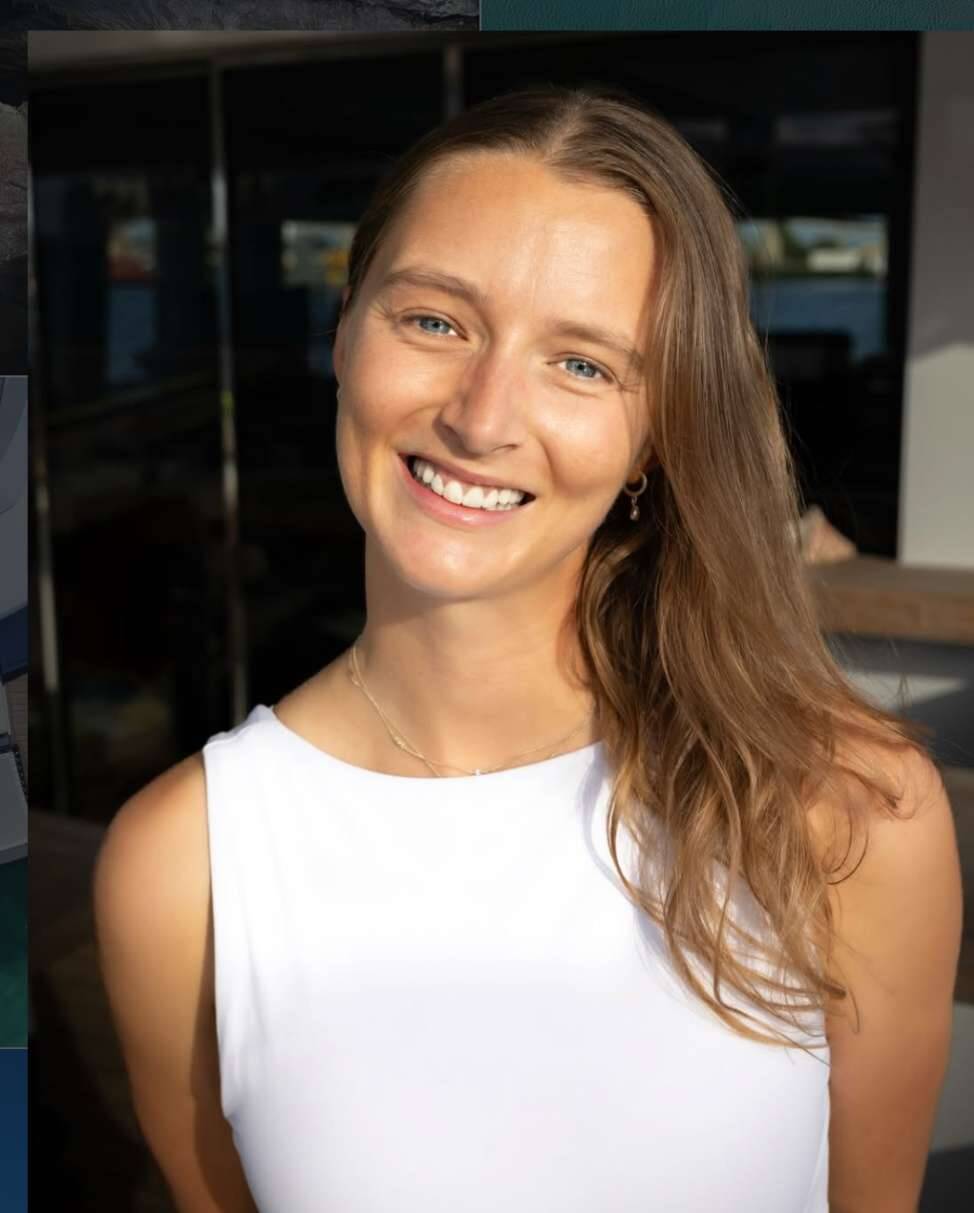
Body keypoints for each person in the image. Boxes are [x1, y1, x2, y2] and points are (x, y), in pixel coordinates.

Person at [93, 87, 962, 1213]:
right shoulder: (184, 868)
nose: (483, 415)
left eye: (582, 364)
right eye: (435, 322)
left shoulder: (840, 810)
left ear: (656, 434)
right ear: (345, 332)